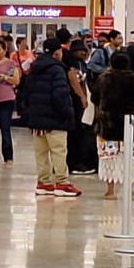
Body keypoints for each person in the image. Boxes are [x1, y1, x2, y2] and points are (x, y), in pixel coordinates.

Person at [21, 37, 79, 197]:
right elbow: (60, 95)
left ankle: (44, 182)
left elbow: (26, 93)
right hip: (55, 119)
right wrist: (68, 114)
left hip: (37, 119)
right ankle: (62, 183)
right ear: (57, 52)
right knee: (59, 151)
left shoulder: (34, 68)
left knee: (41, 152)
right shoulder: (57, 69)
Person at [96, 52, 134, 200]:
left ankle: (110, 190)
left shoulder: (103, 78)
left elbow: (95, 97)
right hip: (129, 123)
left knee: (108, 157)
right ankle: (130, 188)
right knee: (130, 156)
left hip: (107, 124)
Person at [64, 40, 98, 175]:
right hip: (73, 102)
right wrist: (81, 96)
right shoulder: (71, 64)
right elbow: (73, 79)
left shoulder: (84, 65)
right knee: (74, 134)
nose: (83, 53)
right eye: (80, 50)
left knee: (81, 133)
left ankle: (80, 161)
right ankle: (73, 163)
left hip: (83, 105)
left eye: (85, 50)